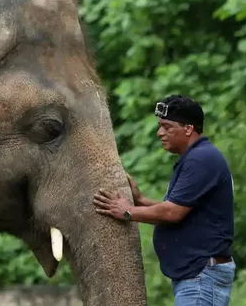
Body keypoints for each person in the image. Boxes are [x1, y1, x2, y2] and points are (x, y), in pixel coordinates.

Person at [93, 94, 235, 306]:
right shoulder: (196, 158)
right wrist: (140, 200)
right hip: (198, 275)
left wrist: (127, 211)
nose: (160, 133)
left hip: (201, 276)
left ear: (188, 129)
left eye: (167, 127)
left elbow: (172, 213)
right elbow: (180, 210)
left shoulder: (201, 159)